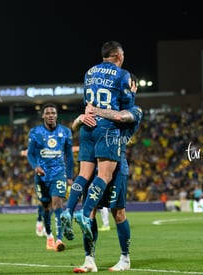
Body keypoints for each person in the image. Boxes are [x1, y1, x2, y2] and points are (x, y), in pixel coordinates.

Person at [62, 41, 135, 243]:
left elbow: (88, 103)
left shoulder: (89, 72)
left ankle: (67, 211)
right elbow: (125, 111)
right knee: (104, 174)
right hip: (107, 128)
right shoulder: (123, 75)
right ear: (119, 56)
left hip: (87, 127)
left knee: (84, 174)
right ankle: (84, 214)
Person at [72, 74, 142, 273]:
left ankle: (125, 258)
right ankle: (89, 260)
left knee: (118, 213)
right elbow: (77, 127)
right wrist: (81, 118)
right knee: (90, 212)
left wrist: (95, 111)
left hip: (117, 165)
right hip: (96, 163)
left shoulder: (135, 110)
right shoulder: (106, 106)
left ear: (133, 87)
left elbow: (120, 116)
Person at [26, 103, 74, 252]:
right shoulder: (35, 132)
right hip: (41, 175)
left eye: (53, 112)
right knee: (46, 207)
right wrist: (35, 166)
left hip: (59, 173)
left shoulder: (65, 132)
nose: (51, 115)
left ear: (57, 115)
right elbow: (30, 154)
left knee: (57, 204)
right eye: (47, 113)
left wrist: (70, 176)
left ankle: (59, 239)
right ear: (43, 116)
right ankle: (49, 236)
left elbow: (70, 155)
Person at [21, 149, 47, 237]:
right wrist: (25, 152)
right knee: (43, 201)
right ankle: (39, 222)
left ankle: (46, 224)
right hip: (40, 178)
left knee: (50, 202)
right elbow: (28, 152)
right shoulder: (38, 145)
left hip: (52, 177)